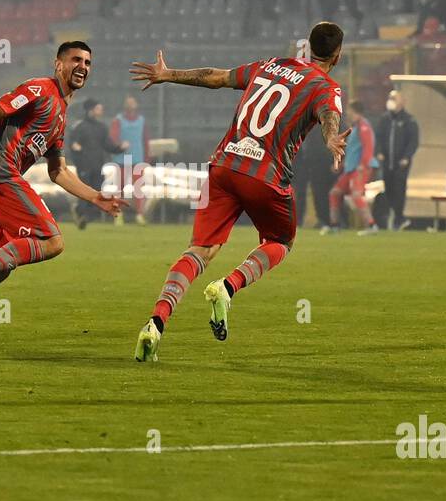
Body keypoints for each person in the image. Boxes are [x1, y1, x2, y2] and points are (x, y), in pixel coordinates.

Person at [129, 22, 350, 362]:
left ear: (306, 46)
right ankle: (228, 286)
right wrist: (331, 139)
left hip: (223, 167)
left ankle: (155, 323)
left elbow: (215, 77)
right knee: (281, 241)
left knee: (199, 250)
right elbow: (328, 116)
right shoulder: (326, 86)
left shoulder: (270, 65)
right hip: (265, 176)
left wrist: (168, 73)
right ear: (337, 55)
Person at [0, 42, 126, 346]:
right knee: (52, 241)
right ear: (58, 64)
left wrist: (93, 196)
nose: (82, 66)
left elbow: (57, 170)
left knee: (1, 263)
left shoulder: (60, 115)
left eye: (88, 62)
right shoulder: (40, 89)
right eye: (75, 59)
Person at [69, 98, 126, 229]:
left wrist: (120, 148)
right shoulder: (79, 126)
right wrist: (76, 151)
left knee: (97, 193)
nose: (101, 111)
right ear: (90, 110)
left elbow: (108, 145)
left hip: (98, 166)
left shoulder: (101, 127)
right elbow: (72, 145)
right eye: (98, 108)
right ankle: (81, 214)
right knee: (84, 192)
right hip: (84, 166)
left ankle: (84, 215)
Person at [322, 99, 376, 234]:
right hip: (350, 169)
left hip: (359, 168)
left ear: (356, 112)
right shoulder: (355, 127)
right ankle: (334, 226)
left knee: (357, 195)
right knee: (334, 193)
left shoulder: (364, 127)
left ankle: (371, 226)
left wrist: (363, 165)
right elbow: (352, 150)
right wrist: (340, 165)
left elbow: (368, 147)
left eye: (350, 111)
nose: (348, 113)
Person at [374, 89, 418, 230]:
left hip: (401, 163)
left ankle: (399, 217)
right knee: (389, 188)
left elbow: (413, 141)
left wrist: (406, 157)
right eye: (390, 98)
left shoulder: (409, 120)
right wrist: (380, 152)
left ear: (402, 102)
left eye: (395, 98)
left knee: (399, 188)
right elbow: (379, 137)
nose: (391, 101)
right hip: (387, 162)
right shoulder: (384, 119)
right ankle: (393, 216)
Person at [110, 94, 149, 224]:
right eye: (128, 102)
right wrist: (119, 145)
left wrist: (147, 158)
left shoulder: (142, 121)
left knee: (138, 188)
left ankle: (139, 214)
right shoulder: (118, 120)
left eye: (133, 102)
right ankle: (118, 214)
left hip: (137, 158)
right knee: (119, 188)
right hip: (121, 158)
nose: (131, 105)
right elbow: (113, 138)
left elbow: (145, 140)